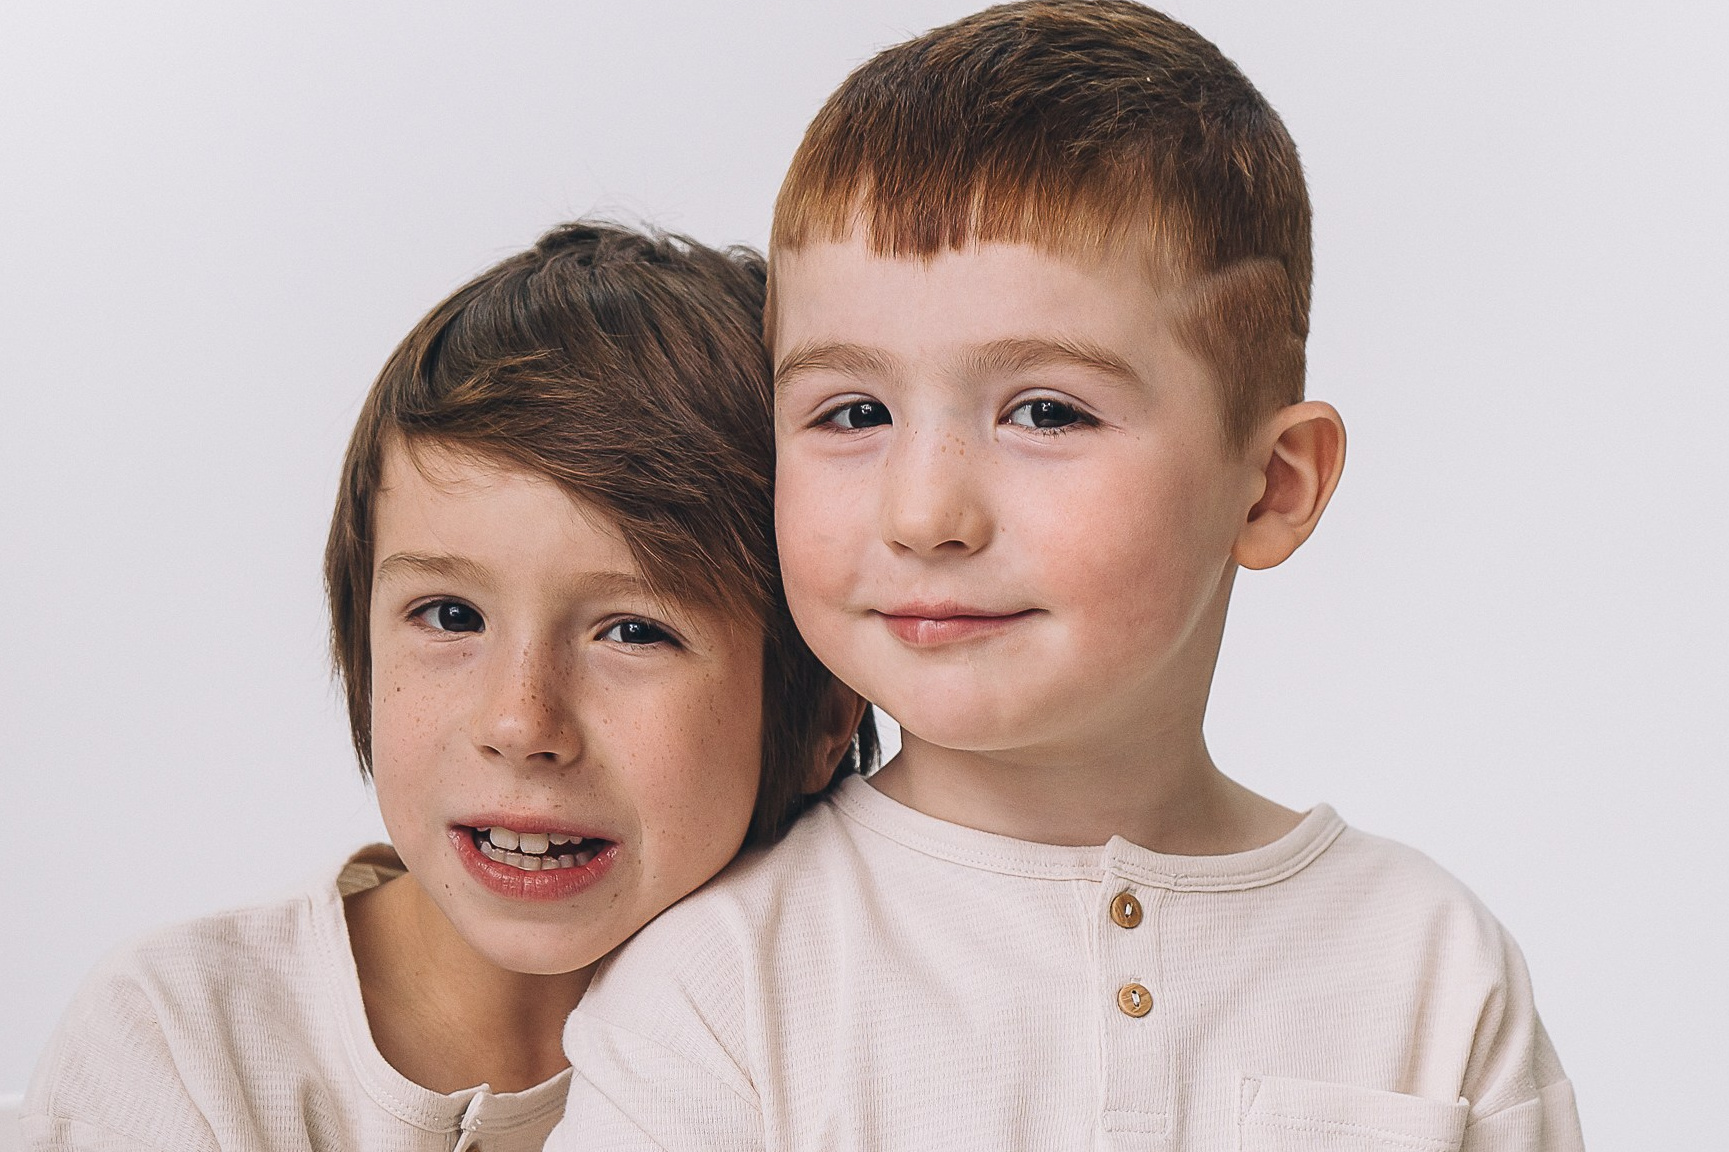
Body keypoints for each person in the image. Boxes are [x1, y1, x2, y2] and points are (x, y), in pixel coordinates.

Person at [550, 5, 1586, 1150]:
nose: (926, 512)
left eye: (1045, 411)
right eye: (853, 412)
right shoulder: (716, 992)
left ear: (1272, 485)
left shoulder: (1427, 967)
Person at [21, 222, 867, 1152]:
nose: (521, 720)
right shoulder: (184, 1044)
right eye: (451, 617)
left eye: (633, 631)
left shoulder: (859, 1041)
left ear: (828, 705)